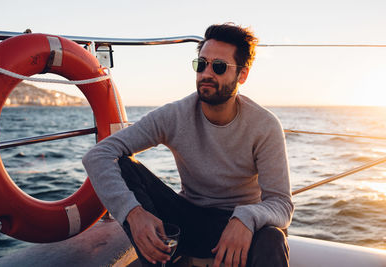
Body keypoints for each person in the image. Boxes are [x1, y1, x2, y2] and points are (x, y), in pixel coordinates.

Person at [83, 23, 294, 267]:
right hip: (188, 221)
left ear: (242, 75)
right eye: (201, 64)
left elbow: (281, 205)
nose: (206, 74)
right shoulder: (176, 115)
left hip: (239, 229)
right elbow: (97, 156)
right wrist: (133, 213)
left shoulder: (264, 125)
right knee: (123, 164)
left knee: (273, 238)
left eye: (219, 67)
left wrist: (246, 217)